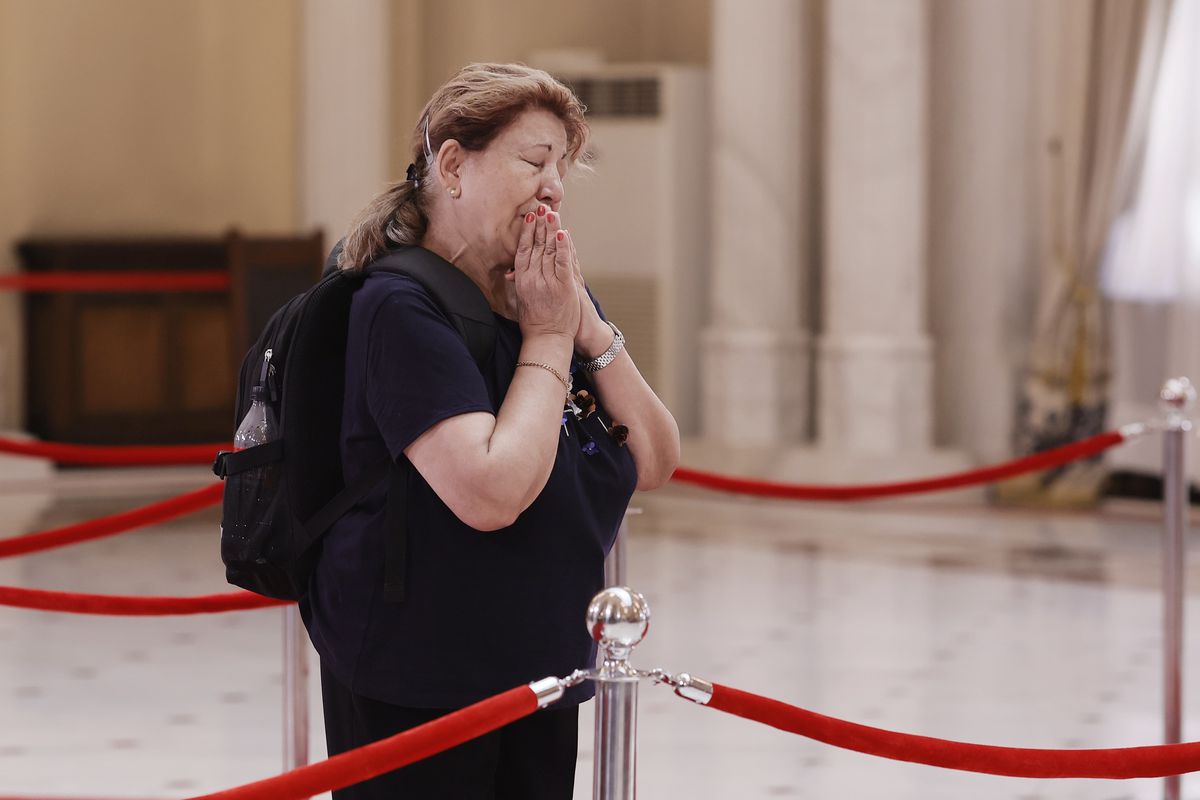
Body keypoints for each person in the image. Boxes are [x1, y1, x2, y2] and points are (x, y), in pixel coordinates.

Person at [302, 62, 681, 799]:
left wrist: (586, 326)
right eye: (534, 161)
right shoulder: (399, 305)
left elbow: (656, 458)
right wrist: (549, 336)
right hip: (420, 677)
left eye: (562, 168)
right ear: (452, 166)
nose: (554, 187)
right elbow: (490, 493)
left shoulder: (544, 288)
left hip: (537, 664)